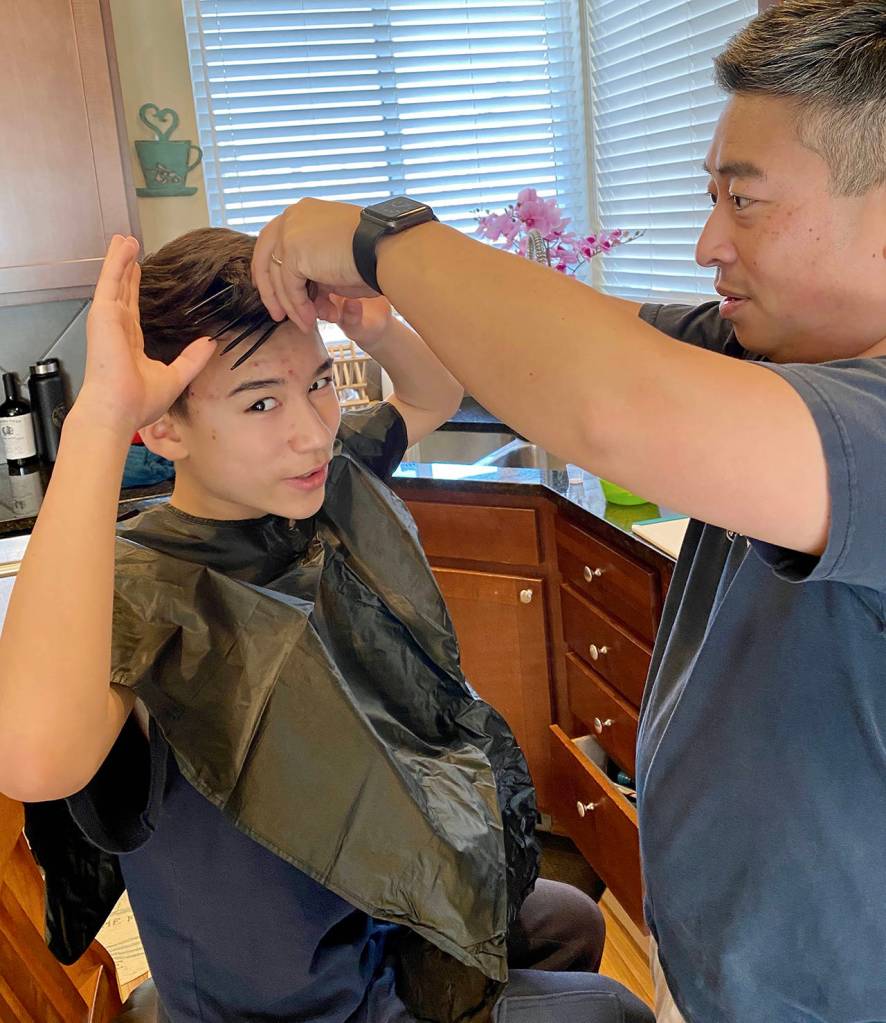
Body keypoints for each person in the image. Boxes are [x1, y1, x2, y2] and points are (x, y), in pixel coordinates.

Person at [245, 1, 886, 1020]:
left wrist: (380, 238)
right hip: (725, 957)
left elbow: (608, 400)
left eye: (744, 200)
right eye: (706, 193)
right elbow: (564, 347)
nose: (706, 240)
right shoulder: (764, 352)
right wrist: (390, 313)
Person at [0, 227, 652, 1023]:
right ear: (162, 427)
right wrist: (99, 418)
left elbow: (431, 395)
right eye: (261, 401)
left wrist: (372, 325)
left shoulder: (313, 487)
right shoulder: (140, 589)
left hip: (370, 916)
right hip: (294, 1005)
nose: (311, 430)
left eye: (318, 382)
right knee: (613, 1010)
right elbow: (32, 759)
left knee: (571, 921)